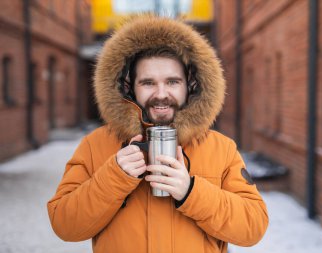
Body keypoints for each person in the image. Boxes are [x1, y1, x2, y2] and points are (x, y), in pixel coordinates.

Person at [47, 15, 268, 253]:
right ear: (129, 87)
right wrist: (115, 177)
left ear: (190, 85)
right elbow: (64, 225)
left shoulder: (221, 149)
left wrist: (192, 192)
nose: (161, 94)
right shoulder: (95, 145)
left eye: (172, 82)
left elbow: (252, 227)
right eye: (148, 83)